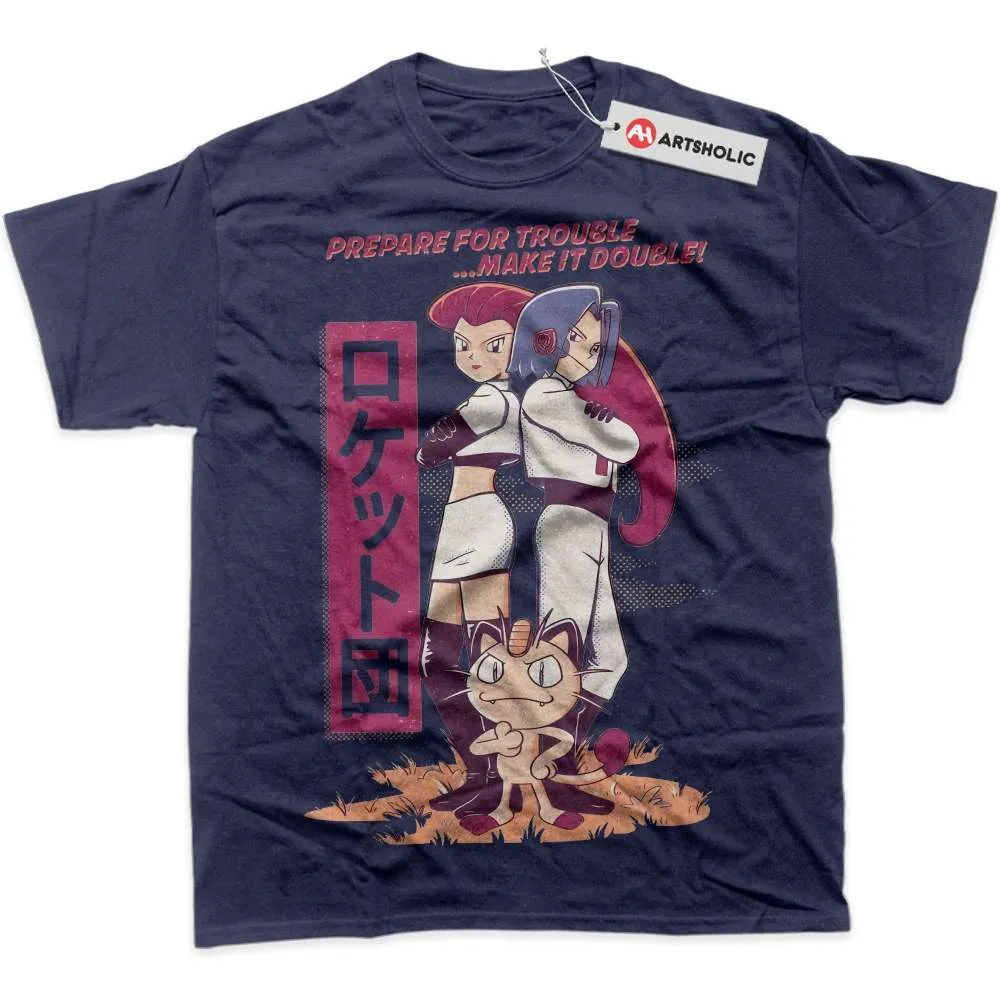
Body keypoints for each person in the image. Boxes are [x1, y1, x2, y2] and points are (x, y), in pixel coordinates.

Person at [512, 284, 676, 813]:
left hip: (590, 524)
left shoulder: (566, 395)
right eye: (580, 335)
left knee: (610, 657)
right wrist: (607, 423)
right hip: (567, 521)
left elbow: (620, 440)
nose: (592, 345)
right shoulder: (545, 394)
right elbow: (624, 443)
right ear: (550, 339)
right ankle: (529, 763)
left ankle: (555, 753)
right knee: (561, 651)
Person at [416, 282, 532, 813]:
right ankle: (482, 772)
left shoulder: (492, 400)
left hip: (480, 522)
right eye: (463, 344)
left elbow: (431, 450)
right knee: (442, 658)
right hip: (461, 524)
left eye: (493, 344)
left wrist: (435, 436)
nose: (474, 356)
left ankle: (504, 777)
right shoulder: (487, 399)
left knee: (486, 658)